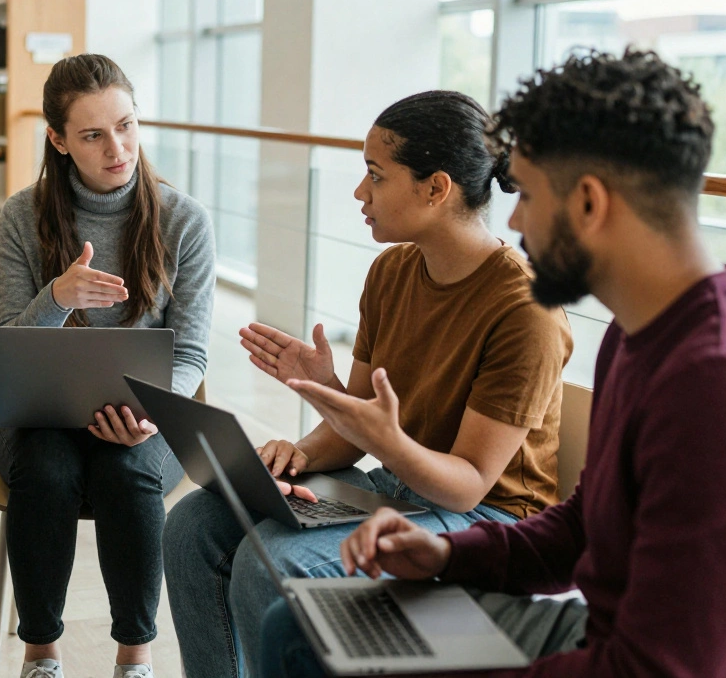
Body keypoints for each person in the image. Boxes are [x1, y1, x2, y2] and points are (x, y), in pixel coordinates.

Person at [260, 48, 726, 677]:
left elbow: (656, 666)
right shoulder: (635, 332)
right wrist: (445, 555)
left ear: (588, 203)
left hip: (629, 655)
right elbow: (582, 526)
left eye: (528, 194)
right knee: (298, 628)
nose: (512, 219)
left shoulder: (706, 385)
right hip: (600, 628)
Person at [164, 90, 573, 677]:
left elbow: (466, 486)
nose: (361, 193)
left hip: (488, 516)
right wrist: (304, 443)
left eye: (376, 176)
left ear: (436, 187)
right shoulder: (392, 271)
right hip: (398, 486)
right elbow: (359, 431)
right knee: (192, 527)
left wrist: (370, 432)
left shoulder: (524, 311)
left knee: (271, 562)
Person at [0, 53, 216, 678]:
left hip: (148, 416)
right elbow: (12, 344)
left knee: (128, 471)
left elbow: (192, 354)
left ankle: (134, 660)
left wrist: (152, 412)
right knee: (45, 468)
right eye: (92, 135)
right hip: (43, 417)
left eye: (126, 124)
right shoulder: (21, 216)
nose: (117, 147)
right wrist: (57, 298)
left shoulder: (185, 221)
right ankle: (41, 656)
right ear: (59, 141)